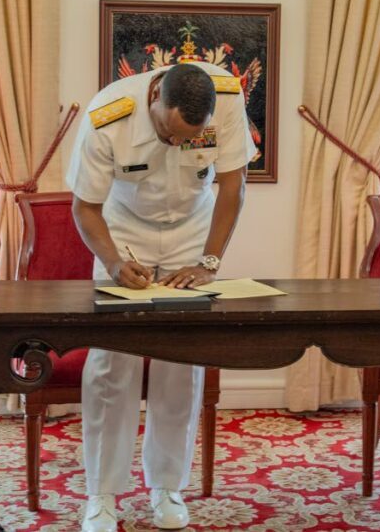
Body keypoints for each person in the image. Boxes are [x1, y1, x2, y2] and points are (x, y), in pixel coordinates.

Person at [67, 61, 254, 532]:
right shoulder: (109, 114)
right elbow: (85, 207)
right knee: (112, 364)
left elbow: (233, 184)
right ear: (155, 99)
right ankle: (101, 495)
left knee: (181, 363)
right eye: (169, 134)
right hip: (123, 231)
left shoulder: (227, 98)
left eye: (188, 138)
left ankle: (166, 486)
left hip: (191, 230)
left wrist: (209, 262)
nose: (176, 144)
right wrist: (112, 262)